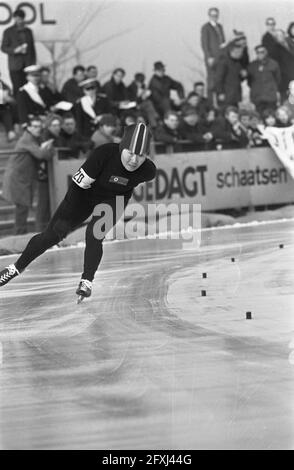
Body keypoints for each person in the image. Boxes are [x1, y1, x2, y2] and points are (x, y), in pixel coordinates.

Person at [0, 123, 156, 301]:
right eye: (130, 152)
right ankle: (15, 268)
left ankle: (86, 281)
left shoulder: (148, 171)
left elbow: (129, 180)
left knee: (94, 233)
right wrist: (66, 218)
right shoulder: (103, 154)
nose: (134, 160)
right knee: (52, 236)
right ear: (121, 147)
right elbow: (77, 187)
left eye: (141, 155)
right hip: (83, 195)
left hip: (114, 199)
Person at [2, 116, 54, 235]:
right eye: (35, 126)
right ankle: (18, 236)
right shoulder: (26, 139)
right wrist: (48, 149)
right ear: (29, 128)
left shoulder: (34, 138)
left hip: (23, 178)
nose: (38, 129)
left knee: (22, 209)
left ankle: (20, 235)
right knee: (22, 209)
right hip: (17, 179)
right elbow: (41, 154)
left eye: (39, 127)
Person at [1, 8, 36, 96]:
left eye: (21, 19)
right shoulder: (8, 31)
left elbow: (32, 49)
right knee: (17, 88)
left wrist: (33, 64)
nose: (19, 21)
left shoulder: (28, 31)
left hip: (27, 65)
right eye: (17, 18)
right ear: (14, 18)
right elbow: (3, 47)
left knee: (29, 88)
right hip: (15, 65)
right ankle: (18, 109)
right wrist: (14, 50)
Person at [200, 7, 226, 104]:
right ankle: (210, 103)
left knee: (220, 80)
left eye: (216, 15)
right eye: (212, 15)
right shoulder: (205, 27)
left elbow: (222, 41)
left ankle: (220, 102)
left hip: (221, 57)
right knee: (211, 81)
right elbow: (204, 44)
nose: (214, 17)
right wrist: (209, 56)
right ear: (209, 16)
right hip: (212, 58)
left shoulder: (220, 26)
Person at [247, 45, 281, 113]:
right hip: (258, 98)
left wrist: (272, 88)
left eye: (262, 52)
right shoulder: (252, 65)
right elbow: (249, 81)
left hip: (270, 97)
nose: (260, 54)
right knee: (259, 117)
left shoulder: (273, 64)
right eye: (258, 52)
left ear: (266, 52)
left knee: (271, 117)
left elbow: (278, 79)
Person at [214, 43, 244, 109]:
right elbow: (218, 79)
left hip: (235, 96)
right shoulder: (223, 62)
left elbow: (239, 79)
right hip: (226, 95)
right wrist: (220, 92)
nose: (241, 54)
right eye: (239, 52)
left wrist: (243, 75)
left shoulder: (237, 63)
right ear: (232, 51)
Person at [274, 29, 294, 101]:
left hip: (292, 75)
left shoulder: (291, 44)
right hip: (285, 79)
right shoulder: (275, 49)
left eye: (281, 34)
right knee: (287, 101)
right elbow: (278, 66)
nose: (280, 36)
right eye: (278, 35)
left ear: (284, 35)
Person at [0, 71, 17, 141]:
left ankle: (10, 131)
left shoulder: (5, 86)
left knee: (7, 113)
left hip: (3, 108)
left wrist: (8, 99)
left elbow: (14, 102)